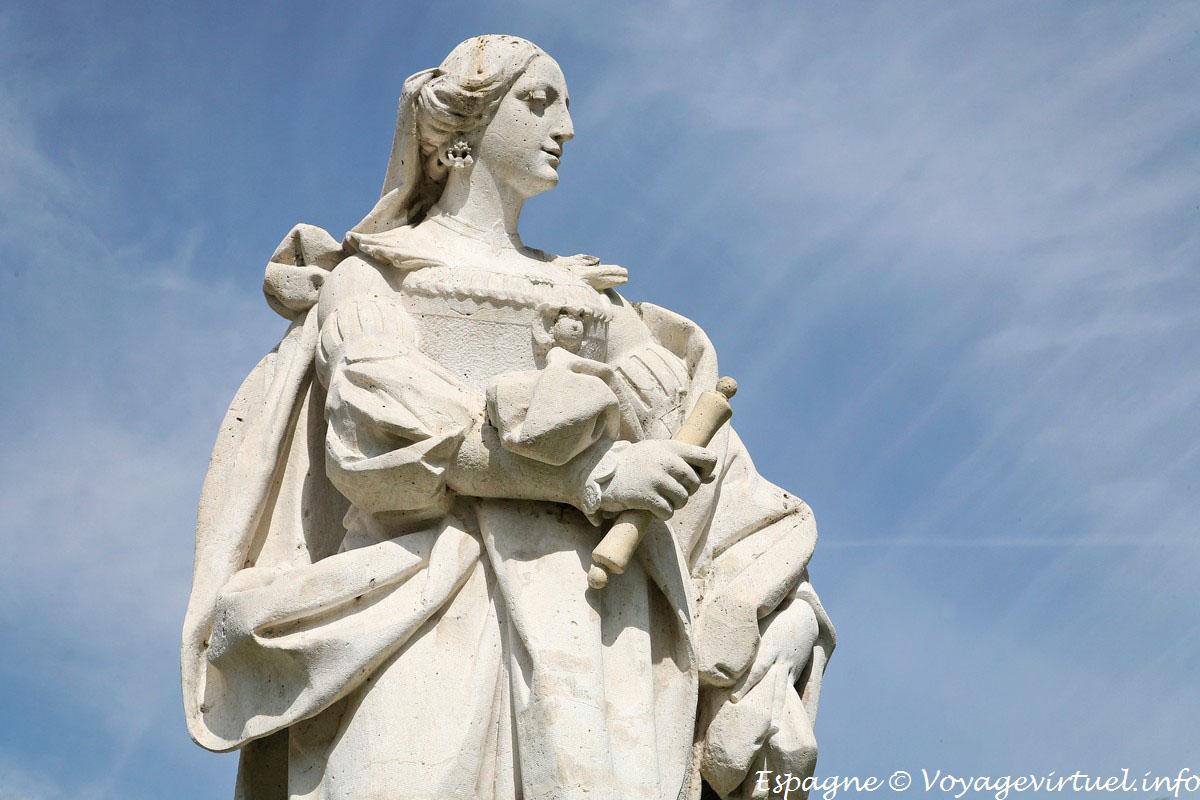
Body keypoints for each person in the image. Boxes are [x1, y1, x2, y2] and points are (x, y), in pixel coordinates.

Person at [182, 34, 834, 800]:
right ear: (464, 123)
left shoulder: (601, 307)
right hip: (415, 612)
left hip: (596, 636)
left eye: (566, 106)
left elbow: (718, 481)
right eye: (539, 101)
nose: (567, 128)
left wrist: (775, 612)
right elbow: (382, 433)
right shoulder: (373, 279)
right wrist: (592, 477)